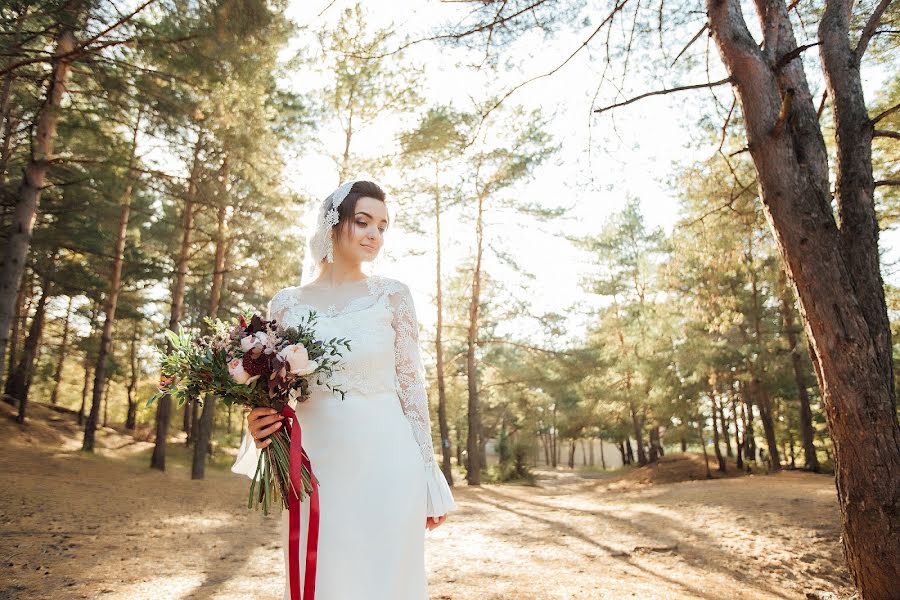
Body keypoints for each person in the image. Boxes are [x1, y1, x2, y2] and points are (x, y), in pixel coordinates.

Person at [230, 180, 457, 600]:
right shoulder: (287, 303)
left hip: (391, 465)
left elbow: (412, 389)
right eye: (364, 222)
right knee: (321, 579)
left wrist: (429, 475)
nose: (375, 235)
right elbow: (271, 388)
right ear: (333, 224)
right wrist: (258, 420)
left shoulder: (392, 297)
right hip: (317, 468)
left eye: (383, 227)